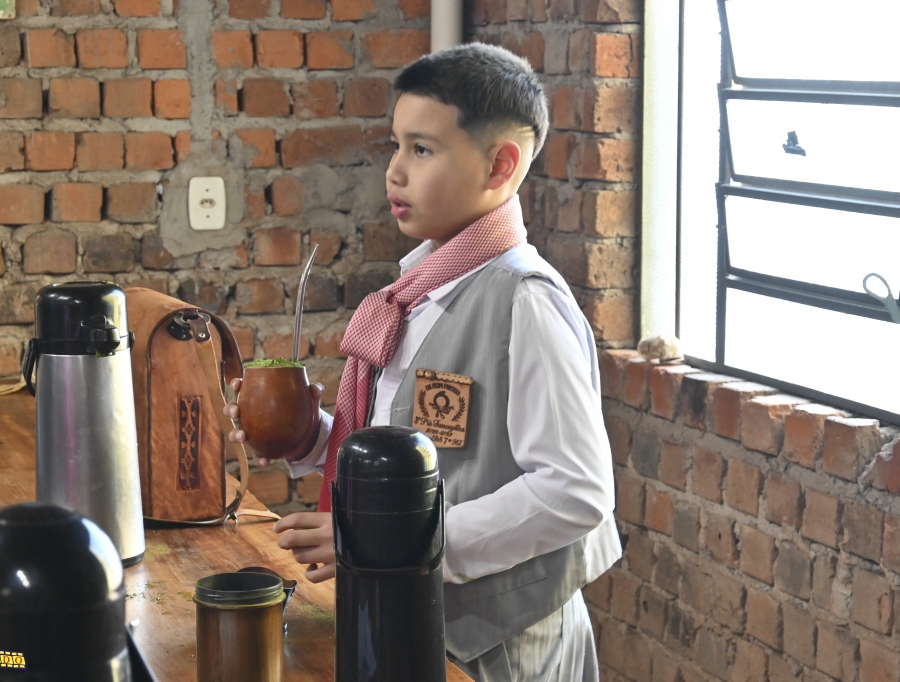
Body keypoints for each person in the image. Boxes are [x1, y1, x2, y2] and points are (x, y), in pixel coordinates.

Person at [224, 42, 620, 682]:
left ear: (500, 165)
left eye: (423, 150)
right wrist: (312, 438)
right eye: (396, 145)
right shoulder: (421, 289)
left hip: (503, 648)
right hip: (417, 624)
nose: (395, 172)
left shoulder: (524, 300)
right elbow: (415, 456)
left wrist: (394, 539)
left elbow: (575, 490)